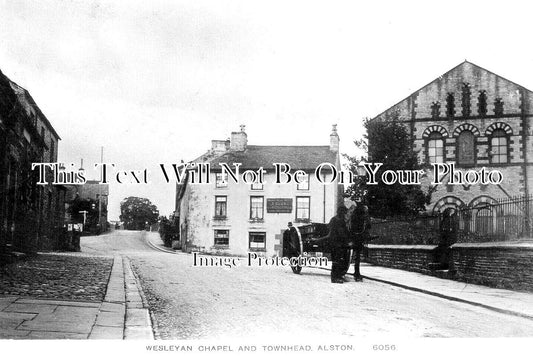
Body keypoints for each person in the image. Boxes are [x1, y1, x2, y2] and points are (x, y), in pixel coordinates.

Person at [328, 205, 350, 283]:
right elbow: (333, 232)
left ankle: (339, 276)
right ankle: (334, 278)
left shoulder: (341, 220)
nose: (344, 214)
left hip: (341, 243)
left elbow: (345, 231)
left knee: (341, 260)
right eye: (343, 212)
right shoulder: (334, 220)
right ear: (340, 212)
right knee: (336, 261)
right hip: (335, 243)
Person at [349, 203, 371, 281]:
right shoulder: (364, 215)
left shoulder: (354, 215)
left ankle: (357, 272)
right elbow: (369, 225)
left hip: (353, 236)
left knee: (357, 255)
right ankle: (357, 273)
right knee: (357, 255)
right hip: (359, 236)